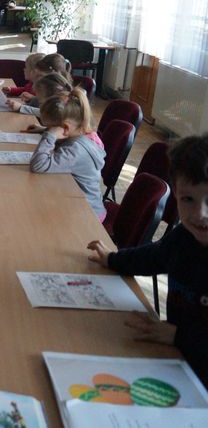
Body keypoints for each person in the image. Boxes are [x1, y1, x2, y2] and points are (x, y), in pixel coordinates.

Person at [87, 134, 208, 387]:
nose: (200, 214)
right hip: (176, 362)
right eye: (188, 199)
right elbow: (152, 257)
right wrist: (112, 259)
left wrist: (178, 335)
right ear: (176, 194)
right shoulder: (184, 238)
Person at [29, 88, 106, 220]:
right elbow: (66, 135)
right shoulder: (87, 135)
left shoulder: (76, 150)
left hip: (87, 214)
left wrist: (50, 135)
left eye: (51, 127)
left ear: (65, 128)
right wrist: (45, 130)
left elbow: (38, 165)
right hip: (75, 199)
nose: (49, 129)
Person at [7, 72, 73, 123]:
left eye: (40, 103)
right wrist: (43, 129)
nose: (39, 106)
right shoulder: (61, 104)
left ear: (52, 100)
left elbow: (45, 114)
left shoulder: (62, 111)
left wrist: (21, 107)